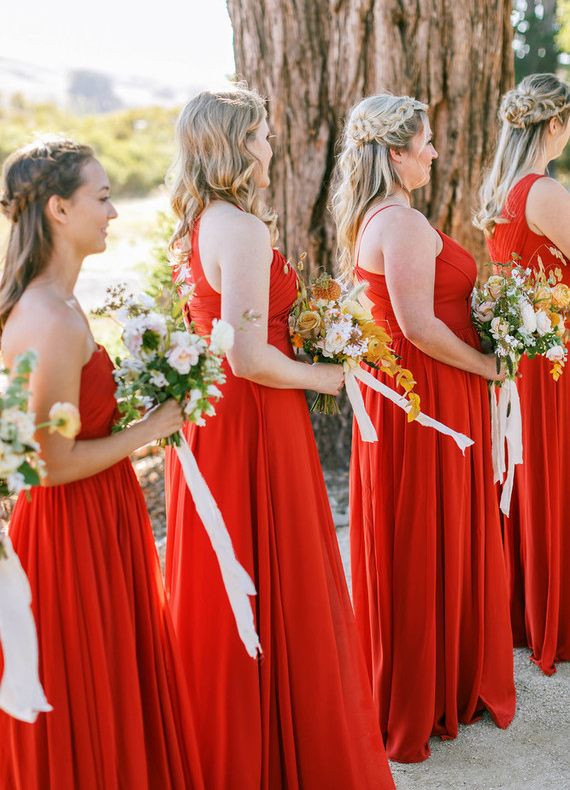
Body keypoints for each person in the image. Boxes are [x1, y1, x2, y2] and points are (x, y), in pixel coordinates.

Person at [164, 88, 396, 789]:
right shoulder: (238, 227)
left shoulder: (203, 221)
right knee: (272, 568)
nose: (271, 142)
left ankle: (246, 738)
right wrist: (326, 376)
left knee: (237, 572)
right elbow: (247, 356)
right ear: (235, 144)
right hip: (254, 417)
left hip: (221, 417)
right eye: (261, 132)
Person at [0, 138, 204, 790]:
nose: (114, 213)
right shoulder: (49, 318)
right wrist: (152, 428)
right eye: (104, 197)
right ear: (59, 209)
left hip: (102, 515)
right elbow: (50, 463)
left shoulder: (64, 303)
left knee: (114, 684)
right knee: (85, 694)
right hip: (68, 530)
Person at [332, 93, 516, 763]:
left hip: (417, 398)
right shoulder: (400, 224)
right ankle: (426, 689)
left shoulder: (379, 216)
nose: (435, 152)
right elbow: (418, 327)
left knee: (427, 533)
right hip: (428, 401)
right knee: (426, 533)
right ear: (394, 152)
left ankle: (437, 675)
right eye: (426, 142)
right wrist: (488, 366)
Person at [475, 73, 570, 675]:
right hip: (558, 351)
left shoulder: (502, 191)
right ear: (554, 124)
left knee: (537, 472)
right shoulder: (545, 191)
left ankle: (529, 608)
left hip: (528, 358)